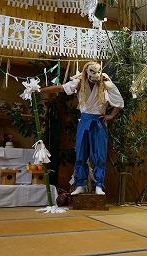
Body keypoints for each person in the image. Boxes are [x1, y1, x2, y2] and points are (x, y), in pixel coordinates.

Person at [41, 61, 124, 195]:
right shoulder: (79, 82)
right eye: (92, 71)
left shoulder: (105, 83)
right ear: (86, 71)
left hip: (98, 122)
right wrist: (40, 90)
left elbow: (119, 101)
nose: (95, 75)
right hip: (84, 120)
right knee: (81, 154)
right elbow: (61, 88)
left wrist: (111, 116)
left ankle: (98, 185)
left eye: (98, 72)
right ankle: (80, 185)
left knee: (99, 155)